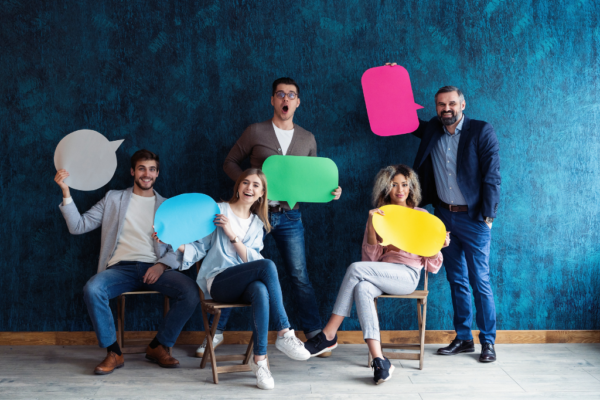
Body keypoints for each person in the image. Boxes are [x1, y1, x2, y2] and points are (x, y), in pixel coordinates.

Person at [197, 77, 342, 357]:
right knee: (233, 264)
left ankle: (313, 334)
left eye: (291, 95)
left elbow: (312, 180)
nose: (285, 99)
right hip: (254, 216)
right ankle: (216, 333)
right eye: (280, 94)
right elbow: (230, 162)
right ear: (273, 100)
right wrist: (248, 190)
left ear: (297, 102)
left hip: (289, 217)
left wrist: (330, 191)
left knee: (299, 275)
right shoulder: (255, 131)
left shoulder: (307, 139)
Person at [55, 149, 200, 375]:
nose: (146, 174)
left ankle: (158, 346)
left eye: (152, 169)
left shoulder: (167, 206)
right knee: (93, 289)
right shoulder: (113, 198)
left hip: (156, 268)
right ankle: (114, 352)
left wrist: (161, 266)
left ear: (157, 174)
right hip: (119, 269)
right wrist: (66, 192)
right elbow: (78, 226)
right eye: (142, 168)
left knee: (190, 290)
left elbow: (178, 246)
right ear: (133, 171)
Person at [303, 164, 449, 384]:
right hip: (380, 273)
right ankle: (380, 361)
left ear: (411, 188)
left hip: (407, 276)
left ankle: (329, 334)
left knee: (354, 269)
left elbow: (433, 264)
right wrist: (372, 225)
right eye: (394, 185)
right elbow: (370, 261)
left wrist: (438, 245)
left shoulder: (421, 215)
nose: (400, 190)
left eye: (404, 185)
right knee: (361, 286)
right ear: (386, 189)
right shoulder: (380, 215)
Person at [169, 168, 311, 390]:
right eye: (245, 182)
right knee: (268, 265)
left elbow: (251, 260)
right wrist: (170, 240)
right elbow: (198, 248)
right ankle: (284, 332)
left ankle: (260, 362)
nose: (249, 188)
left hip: (244, 284)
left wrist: (232, 235)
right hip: (218, 282)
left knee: (261, 290)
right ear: (238, 186)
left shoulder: (257, 224)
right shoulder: (219, 211)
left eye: (255, 185)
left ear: (262, 194)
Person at [400, 77, 501, 362]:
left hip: (475, 219)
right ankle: (463, 338)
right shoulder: (433, 128)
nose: (446, 108)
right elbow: (405, 119)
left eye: (452, 103)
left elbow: (492, 176)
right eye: (441, 104)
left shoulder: (481, 131)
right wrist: (393, 79)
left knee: (479, 280)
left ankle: (488, 342)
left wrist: (489, 216)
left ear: (462, 104)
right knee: (456, 279)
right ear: (436, 107)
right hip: (442, 217)